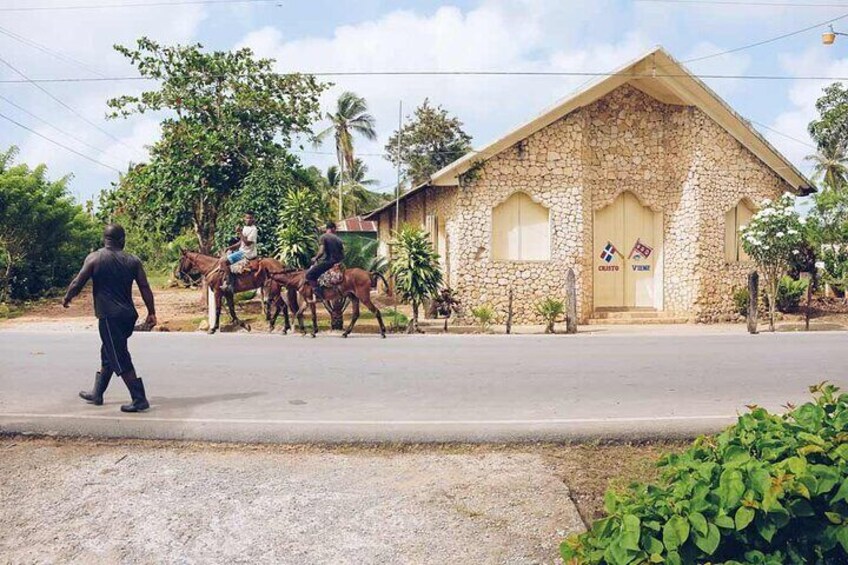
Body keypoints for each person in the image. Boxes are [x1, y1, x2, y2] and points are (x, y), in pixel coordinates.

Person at [63, 224, 156, 413]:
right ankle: (97, 393)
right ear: (122, 240)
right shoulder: (133, 260)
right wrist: (151, 312)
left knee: (118, 355)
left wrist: (67, 297)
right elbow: (145, 287)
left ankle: (139, 399)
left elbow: (77, 282)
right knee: (109, 352)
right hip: (128, 317)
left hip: (109, 317)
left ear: (105, 239)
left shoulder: (95, 258)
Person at [305, 221, 345, 302]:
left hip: (329, 262)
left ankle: (319, 295)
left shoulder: (323, 237)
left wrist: (315, 258)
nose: (335, 230)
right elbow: (342, 254)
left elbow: (321, 251)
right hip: (338, 263)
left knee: (309, 275)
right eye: (335, 229)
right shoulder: (339, 239)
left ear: (327, 228)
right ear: (333, 228)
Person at [221, 211, 258, 291]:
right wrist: (230, 247)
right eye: (247, 218)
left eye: (250, 218)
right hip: (242, 251)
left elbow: (247, 243)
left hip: (246, 254)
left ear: (253, 219)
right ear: (244, 218)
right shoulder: (245, 228)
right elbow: (241, 242)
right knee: (225, 257)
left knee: (224, 261)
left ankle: (228, 283)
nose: (248, 220)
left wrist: (240, 232)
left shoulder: (253, 230)